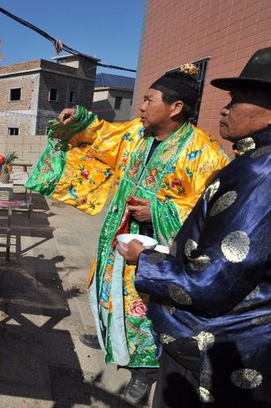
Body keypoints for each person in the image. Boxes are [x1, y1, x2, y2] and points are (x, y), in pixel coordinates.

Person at [26, 68, 231, 403]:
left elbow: (210, 211)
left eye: (149, 100)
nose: (141, 107)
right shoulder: (136, 132)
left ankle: (145, 370)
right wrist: (80, 119)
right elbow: (103, 134)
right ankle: (112, 341)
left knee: (143, 306)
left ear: (176, 107)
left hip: (157, 246)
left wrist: (158, 211)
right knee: (108, 287)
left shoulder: (206, 154)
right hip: (118, 232)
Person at [119, 47, 271, 407]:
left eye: (236, 100)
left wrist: (147, 255)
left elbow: (216, 280)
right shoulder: (250, 158)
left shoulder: (258, 171)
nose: (224, 109)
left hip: (218, 338)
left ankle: (142, 370)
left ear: (175, 108)